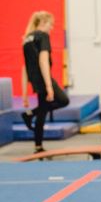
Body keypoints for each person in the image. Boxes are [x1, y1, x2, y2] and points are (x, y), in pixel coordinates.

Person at [21, 11, 69, 153]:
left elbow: (25, 67)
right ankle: (29, 114)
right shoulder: (43, 36)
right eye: (50, 24)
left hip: (35, 80)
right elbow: (43, 61)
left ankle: (38, 145)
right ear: (42, 23)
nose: (51, 28)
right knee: (63, 100)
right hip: (43, 78)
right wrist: (49, 85)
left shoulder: (27, 38)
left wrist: (24, 92)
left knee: (42, 111)